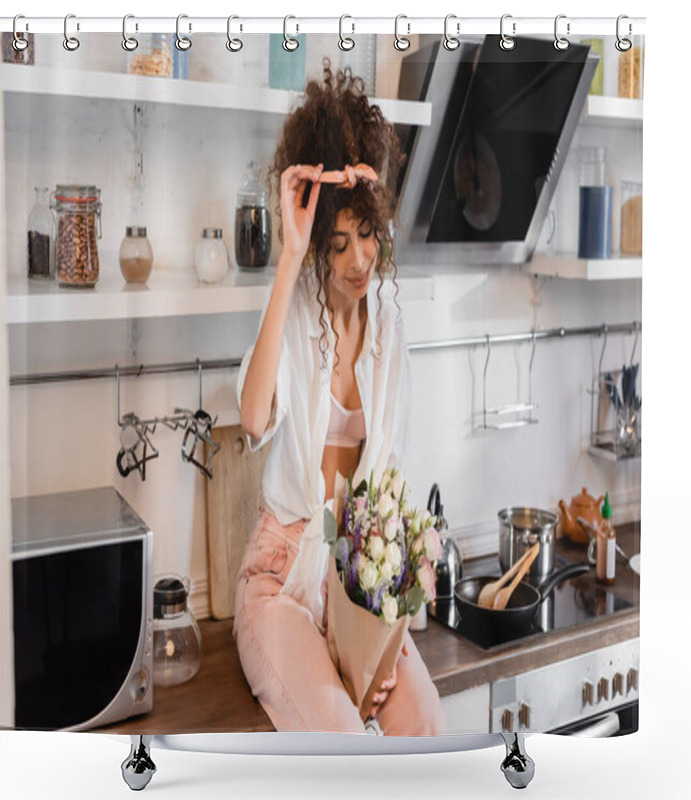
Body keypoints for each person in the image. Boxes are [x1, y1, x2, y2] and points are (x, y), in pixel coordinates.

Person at [232, 60, 446, 736]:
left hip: (357, 588)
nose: (359, 260)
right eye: (338, 243)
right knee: (347, 749)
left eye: (368, 234)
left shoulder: (388, 328)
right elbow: (253, 415)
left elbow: (385, 497)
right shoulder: (296, 315)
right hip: (279, 584)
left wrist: (383, 638)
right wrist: (290, 255)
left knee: (431, 737)